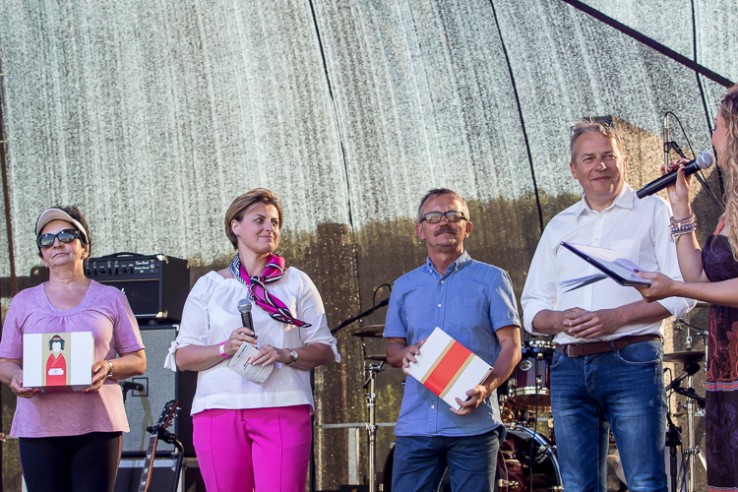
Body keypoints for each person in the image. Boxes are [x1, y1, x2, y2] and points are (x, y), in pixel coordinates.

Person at [520, 119, 694, 491]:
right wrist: (559, 319)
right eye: (589, 159)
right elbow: (532, 307)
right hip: (568, 365)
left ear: (622, 161)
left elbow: (684, 292)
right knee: (578, 485)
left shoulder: (654, 210)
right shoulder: (559, 226)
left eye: (608, 156)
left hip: (631, 359)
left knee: (645, 481)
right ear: (574, 169)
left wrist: (617, 317)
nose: (600, 166)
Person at [166, 188, 339, 492]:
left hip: (283, 405)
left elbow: (324, 348)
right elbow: (183, 357)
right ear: (235, 226)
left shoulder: (296, 282)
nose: (269, 227)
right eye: (259, 220)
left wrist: (286, 354)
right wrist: (225, 348)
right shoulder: (209, 286)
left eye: (275, 222)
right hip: (218, 409)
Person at [384, 188, 522, 492]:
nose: (444, 222)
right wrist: (405, 353)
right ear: (420, 230)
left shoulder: (493, 279)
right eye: (434, 217)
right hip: (417, 425)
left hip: (474, 427)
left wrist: (486, 387)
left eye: (453, 215)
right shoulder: (404, 286)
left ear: (467, 227)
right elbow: (392, 350)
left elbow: (512, 347)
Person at [0, 206, 147, 492]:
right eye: (46, 240)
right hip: (38, 427)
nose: (56, 244)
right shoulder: (23, 302)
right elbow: (6, 361)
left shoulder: (111, 298)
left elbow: (138, 360)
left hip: (98, 426)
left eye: (66, 236)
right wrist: (15, 377)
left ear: (84, 247)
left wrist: (109, 367)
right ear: (42, 254)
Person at [635, 84, 738, 491]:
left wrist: (674, 287)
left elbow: (694, 287)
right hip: (726, 367)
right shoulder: (732, 205)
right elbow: (700, 278)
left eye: (717, 125)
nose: (711, 136)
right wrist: (681, 208)